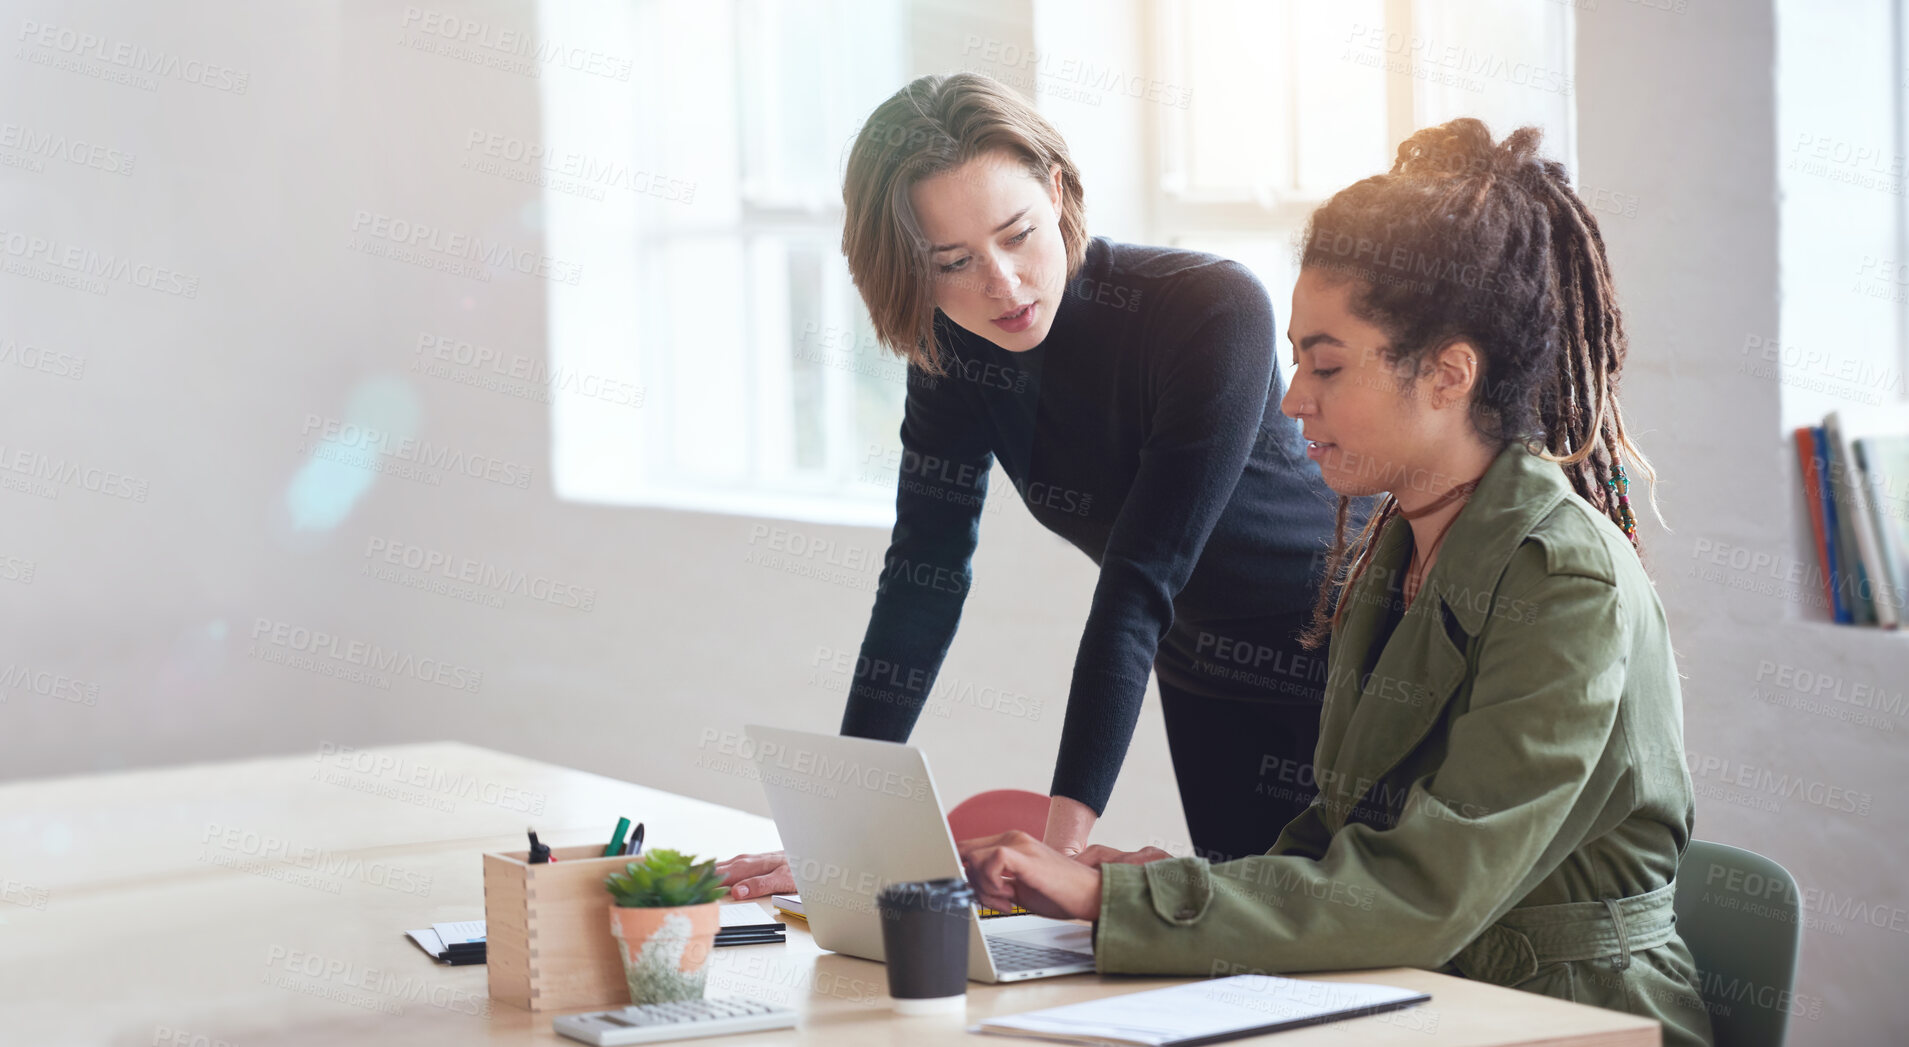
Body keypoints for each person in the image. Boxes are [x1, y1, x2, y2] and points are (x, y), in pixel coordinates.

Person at [954, 119, 1715, 1046]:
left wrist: (1118, 897)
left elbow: (1422, 889)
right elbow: (1339, 836)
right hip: (1430, 994)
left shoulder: (1566, 581)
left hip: (1572, 1020)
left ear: (1446, 374)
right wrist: (1142, 883)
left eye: (1324, 364)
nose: (1290, 399)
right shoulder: (1390, 553)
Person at [717, 72, 1351, 898]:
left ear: (1055, 191)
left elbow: (1138, 580)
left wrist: (1060, 851)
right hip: (1203, 668)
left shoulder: (1208, 310)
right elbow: (923, 579)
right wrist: (839, 834)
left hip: (1352, 654)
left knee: (1369, 948)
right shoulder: (954, 355)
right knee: (1257, 965)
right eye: (952, 262)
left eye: (1016, 234)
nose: (1002, 286)